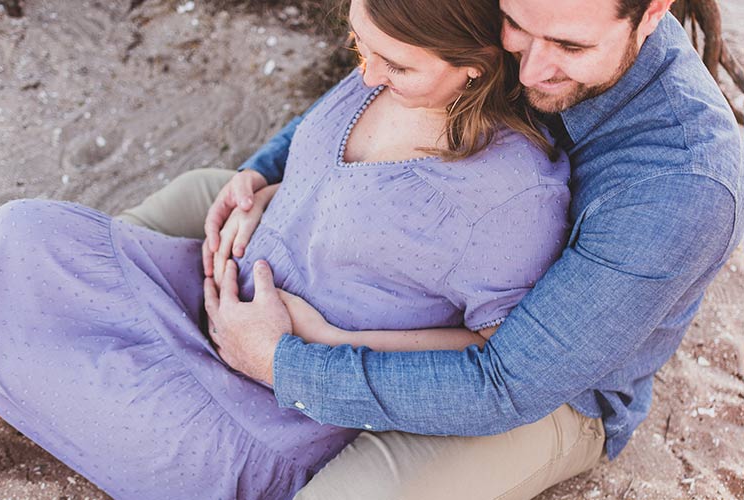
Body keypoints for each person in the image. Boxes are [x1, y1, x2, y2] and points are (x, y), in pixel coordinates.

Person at [115, 0, 744, 498]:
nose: (528, 73)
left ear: (653, 10)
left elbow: (508, 382)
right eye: (515, 29)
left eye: (571, 47)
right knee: (182, 206)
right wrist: (266, 174)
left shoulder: (684, 184)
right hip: (403, 250)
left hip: (544, 395)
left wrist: (284, 363)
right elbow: (388, 67)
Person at [0, 0, 573, 498]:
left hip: (269, 411)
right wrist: (265, 189)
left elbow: (493, 353)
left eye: (394, 64)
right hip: (200, 292)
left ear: (475, 67)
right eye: (357, 44)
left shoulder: (510, 199)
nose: (366, 74)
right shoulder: (387, 72)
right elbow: (343, 190)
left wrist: (319, 341)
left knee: (43, 363)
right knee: (20, 234)